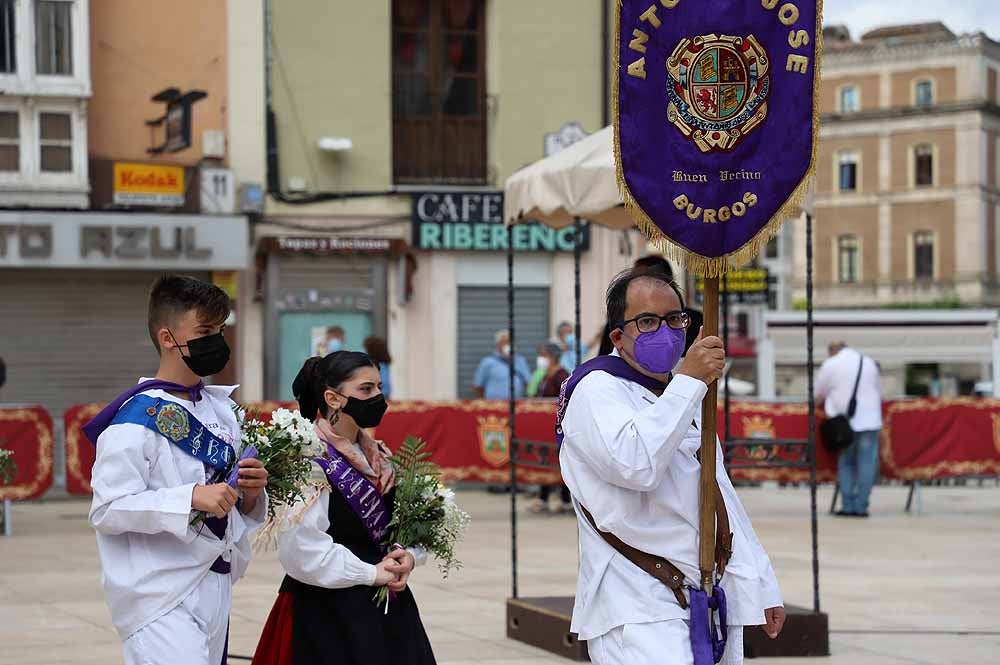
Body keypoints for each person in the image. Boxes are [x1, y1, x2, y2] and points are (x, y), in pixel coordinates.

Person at [558, 269, 784, 665]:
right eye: (647, 321)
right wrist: (688, 381)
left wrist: (761, 583)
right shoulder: (595, 389)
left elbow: (719, 494)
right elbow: (635, 466)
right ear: (618, 336)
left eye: (675, 319)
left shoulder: (682, 395)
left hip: (707, 595)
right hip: (638, 602)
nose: (665, 331)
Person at [86, 275, 269, 665]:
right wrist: (189, 498)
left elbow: (232, 504)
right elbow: (107, 508)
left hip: (215, 579)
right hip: (158, 594)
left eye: (220, 330)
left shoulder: (223, 411)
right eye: (204, 331)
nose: (217, 340)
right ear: (168, 338)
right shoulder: (134, 420)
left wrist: (252, 494)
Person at [252, 351, 436, 665]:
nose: (379, 397)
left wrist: (408, 555)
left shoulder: (379, 457)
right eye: (366, 390)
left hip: (386, 608)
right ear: (333, 398)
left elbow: (403, 526)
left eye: (379, 388)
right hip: (326, 614)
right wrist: (370, 572)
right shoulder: (308, 461)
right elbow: (300, 551)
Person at [816, 341, 883, 518]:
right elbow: (878, 390)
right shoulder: (867, 362)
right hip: (870, 420)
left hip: (844, 423)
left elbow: (818, 393)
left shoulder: (831, 364)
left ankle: (847, 505)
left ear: (832, 351)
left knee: (846, 462)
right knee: (867, 462)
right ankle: (862, 506)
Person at [531, 343, 572, 513]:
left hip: (557, 426)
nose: (541, 358)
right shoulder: (545, 375)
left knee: (560, 461)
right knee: (545, 461)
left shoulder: (561, 374)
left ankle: (565, 500)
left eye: (544, 354)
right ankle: (543, 498)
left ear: (552, 356)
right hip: (544, 427)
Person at [472, 329, 531, 400]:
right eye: (506, 342)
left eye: (511, 342)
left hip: (516, 404)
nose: (509, 345)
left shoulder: (520, 361)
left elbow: (528, 382)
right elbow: (478, 386)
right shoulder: (487, 362)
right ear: (498, 344)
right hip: (494, 405)